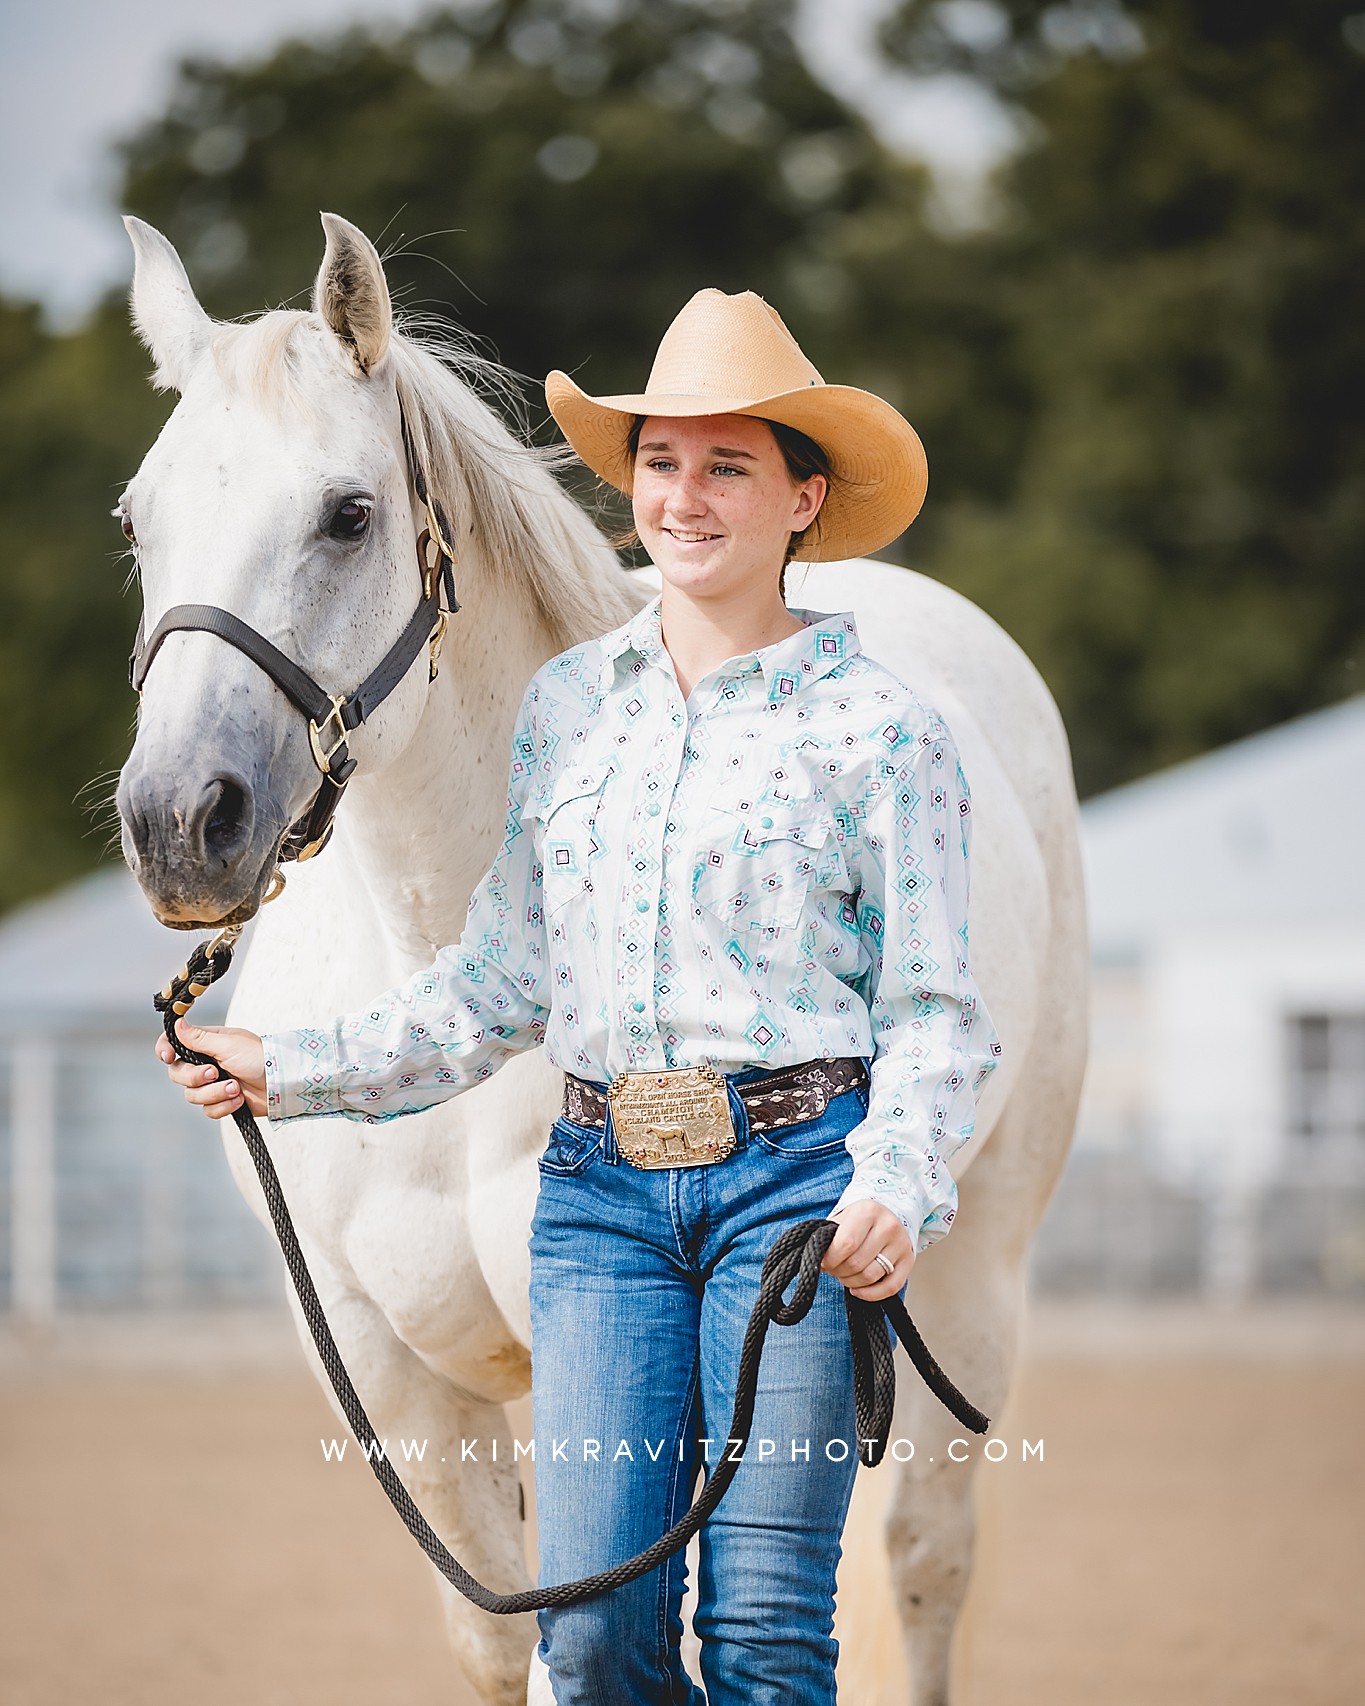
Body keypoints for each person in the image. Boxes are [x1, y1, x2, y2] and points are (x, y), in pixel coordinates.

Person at [158, 287, 1000, 1706]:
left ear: (803, 498)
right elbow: (499, 981)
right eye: (661, 462)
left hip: (788, 1185)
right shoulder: (570, 709)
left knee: (764, 1636)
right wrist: (284, 1065)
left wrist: (894, 1184)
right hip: (602, 1193)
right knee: (594, 1636)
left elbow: (935, 1007)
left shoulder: (885, 731)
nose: (684, 495)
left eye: (727, 465)